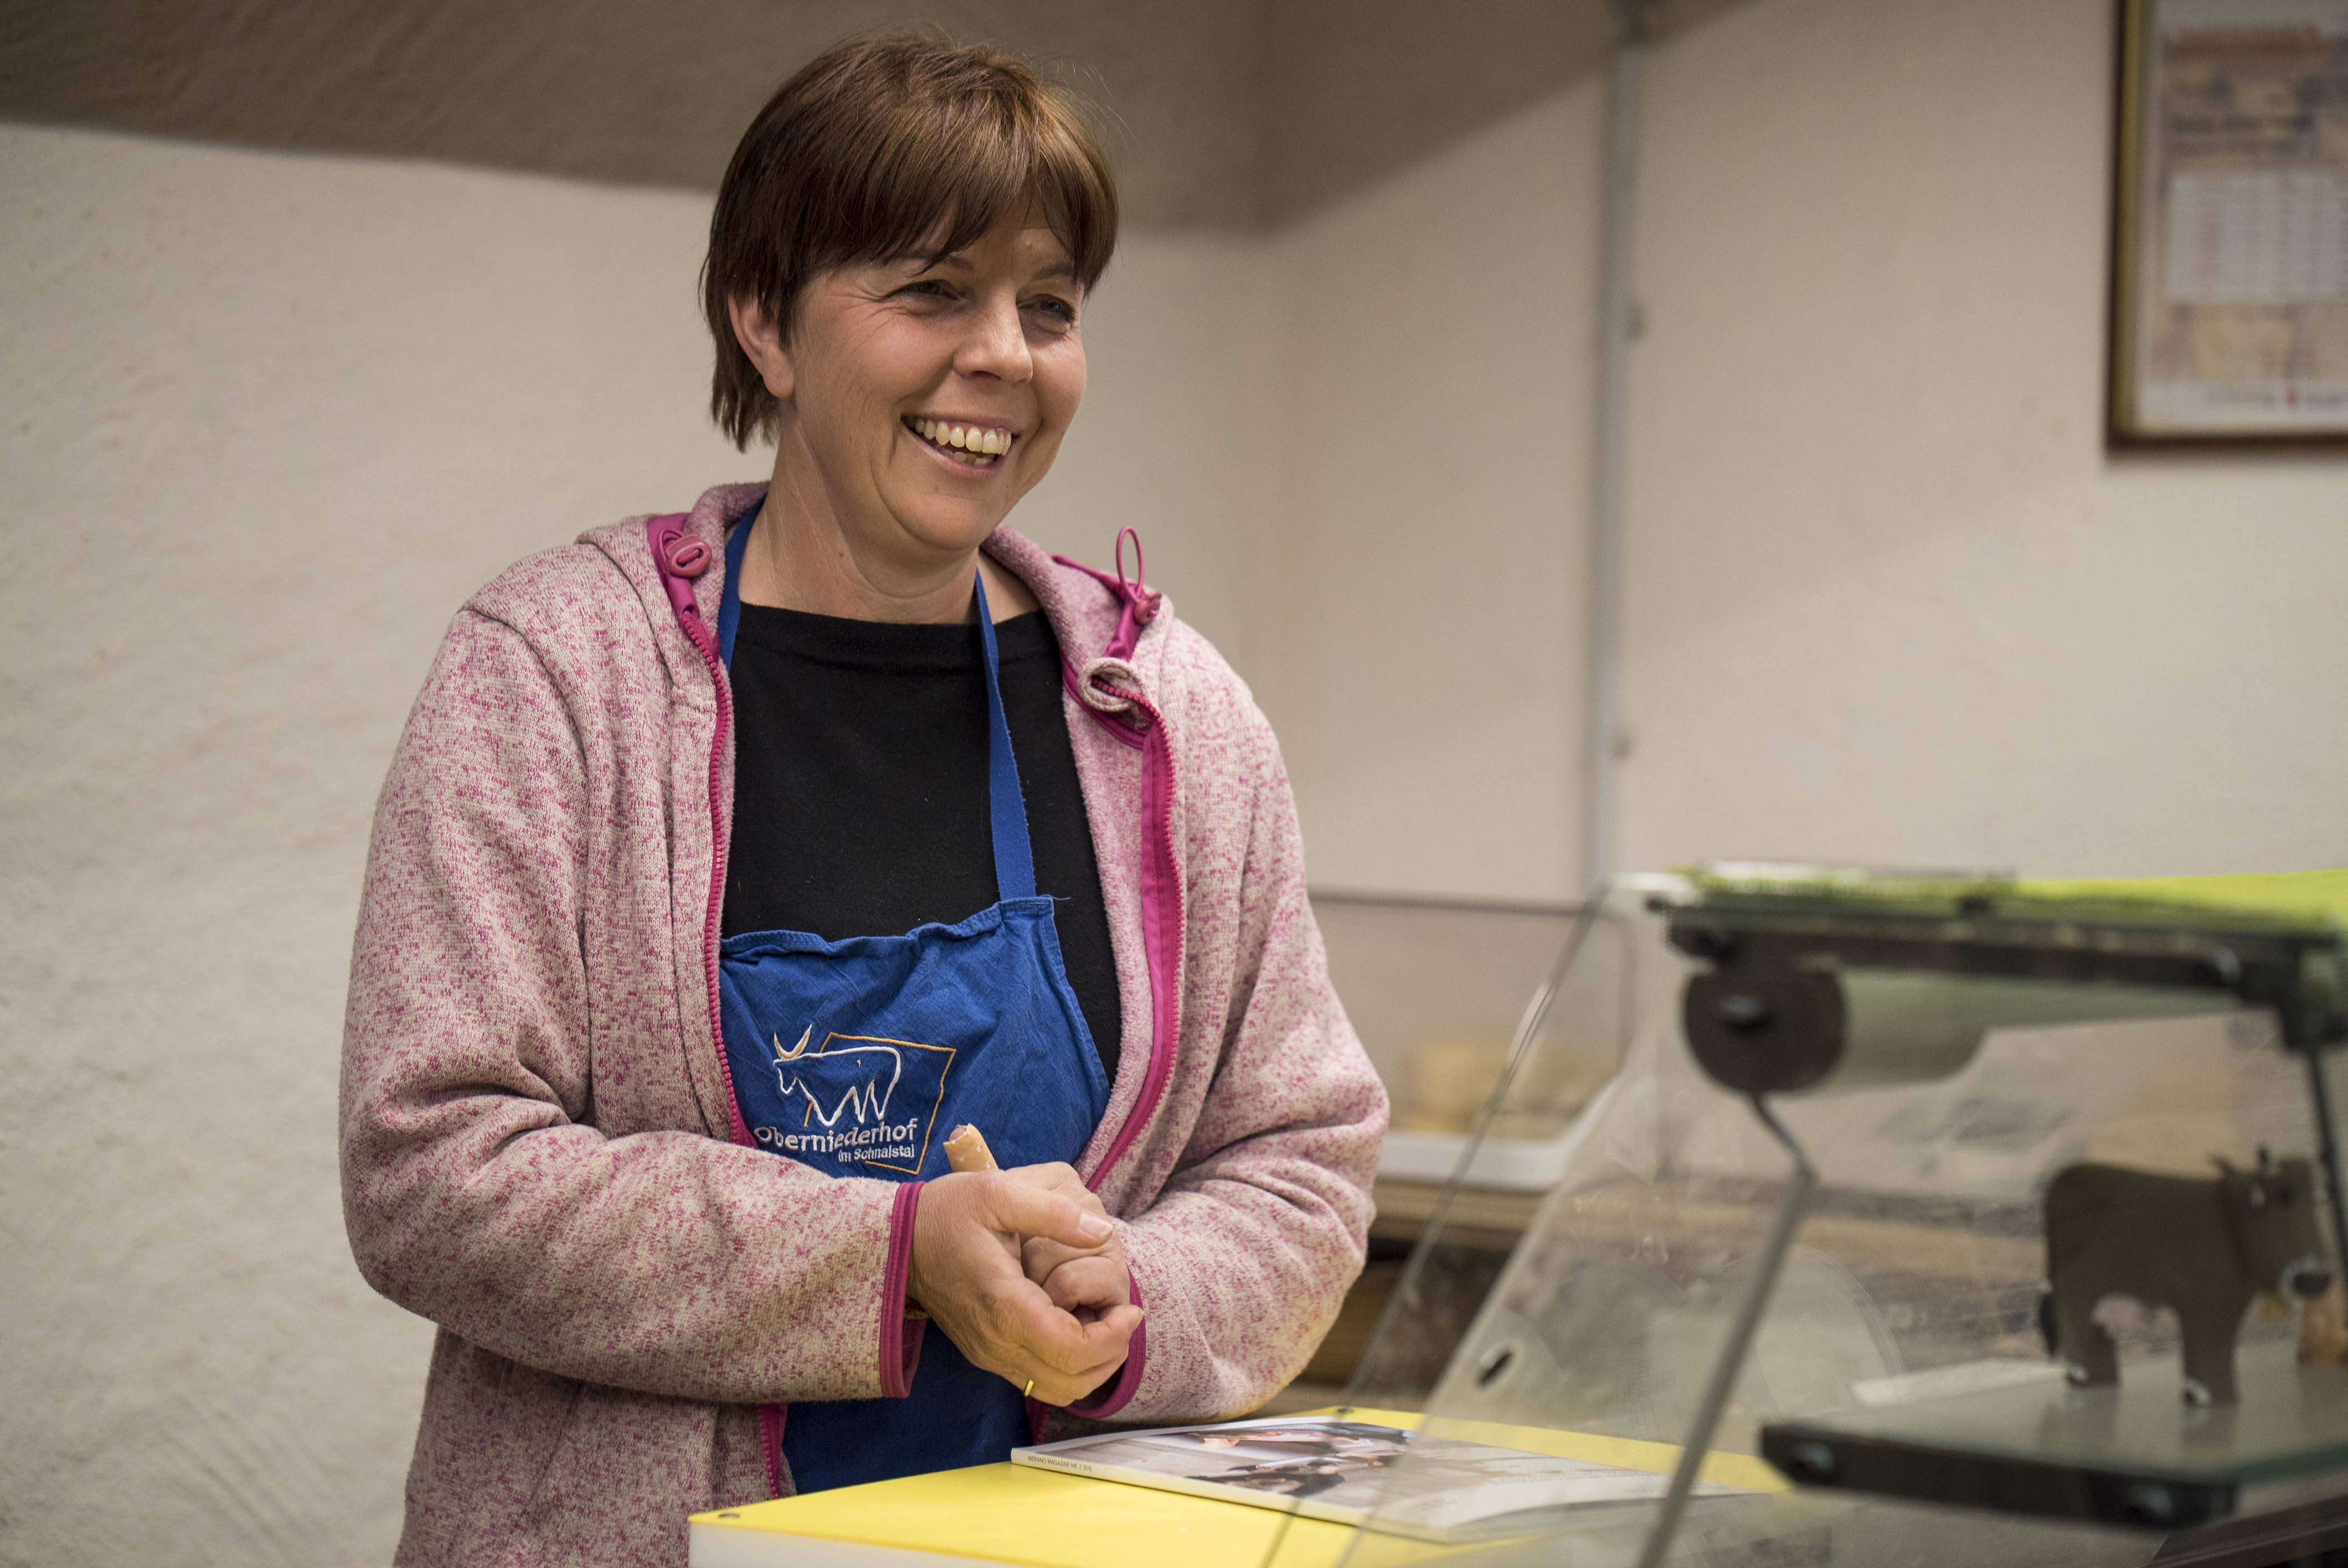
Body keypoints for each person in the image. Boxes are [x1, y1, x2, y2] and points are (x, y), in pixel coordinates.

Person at [341, 29, 1384, 1567]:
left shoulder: (1169, 714)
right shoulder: (557, 676)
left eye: (1049, 305)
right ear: (765, 319)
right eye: (930, 292)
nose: (1006, 358)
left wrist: (1142, 1301)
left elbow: (1302, 1154)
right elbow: (431, 1164)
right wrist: (891, 1258)